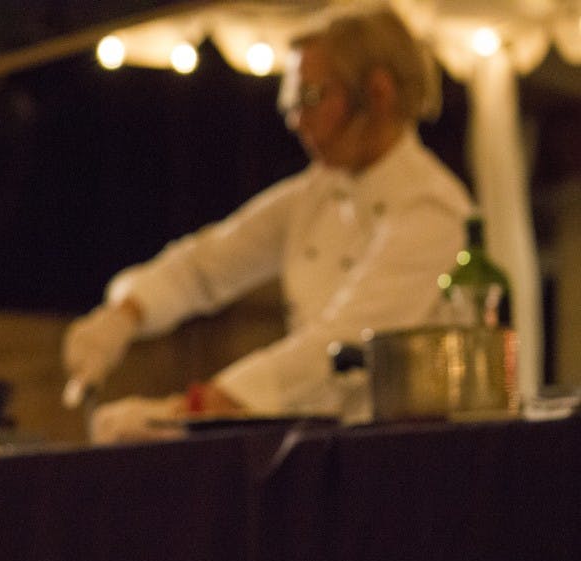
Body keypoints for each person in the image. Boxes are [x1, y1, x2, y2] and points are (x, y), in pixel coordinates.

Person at [62, 7, 473, 443]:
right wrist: (122, 316)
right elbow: (207, 265)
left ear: (378, 93)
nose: (298, 120)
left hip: (400, 458)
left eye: (313, 98)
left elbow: (339, 343)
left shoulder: (431, 209)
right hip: (323, 449)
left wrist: (189, 411)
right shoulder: (316, 194)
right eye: (294, 103)